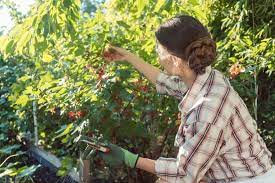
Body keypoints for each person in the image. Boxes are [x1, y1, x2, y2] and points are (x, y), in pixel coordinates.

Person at [90, 15, 275, 183]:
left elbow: (184, 173)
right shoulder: (205, 77)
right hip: (237, 173)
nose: (157, 53)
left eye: (159, 49)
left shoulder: (207, 109)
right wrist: (129, 56)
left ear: (175, 60)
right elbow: (164, 82)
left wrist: (129, 158)